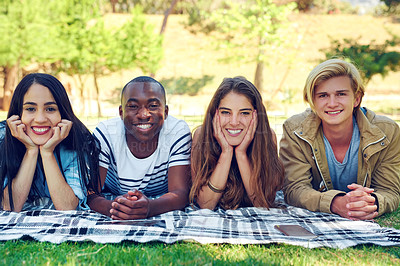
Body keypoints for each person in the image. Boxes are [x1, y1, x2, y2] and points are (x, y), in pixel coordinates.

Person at [280, 59, 400, 220]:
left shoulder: (387, 131)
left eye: (341, 94)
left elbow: (390, 190)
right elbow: (295, 189)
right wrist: (335, 203)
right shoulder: (295, 131)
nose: (332, 103)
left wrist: (372, 202)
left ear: (356, 99)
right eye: (323, 96)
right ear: (312, 102)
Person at [88, 76, 191, 220]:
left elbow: (180, 193)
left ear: (166, 112)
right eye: (133, 106)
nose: (144, 115)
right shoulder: (106, 133)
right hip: (114, 192)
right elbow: (91, 193)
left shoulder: (177, 131)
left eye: (153, 106)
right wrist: (116, 209)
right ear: (121, 113)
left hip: (157, 197)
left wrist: (150, 207)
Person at [0, 73, 100, 212]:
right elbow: (10, 206)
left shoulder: (78, 142)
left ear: (62, 113)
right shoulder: (3, 138)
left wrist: (47, 153)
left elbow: (67, 207)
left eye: (50, 109)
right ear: (18, 114)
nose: (40, 119)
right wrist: (31, 150)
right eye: (30, 109)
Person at [189, 76, 284, 210]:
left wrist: (241, 154)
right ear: (215, 114)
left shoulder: (268, 137)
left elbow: (262, 204)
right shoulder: (202, 136)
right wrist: (226, 152)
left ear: (256, 115)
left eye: (244, 113)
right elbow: (206, 204)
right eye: (226, 112)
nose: (234, 122)